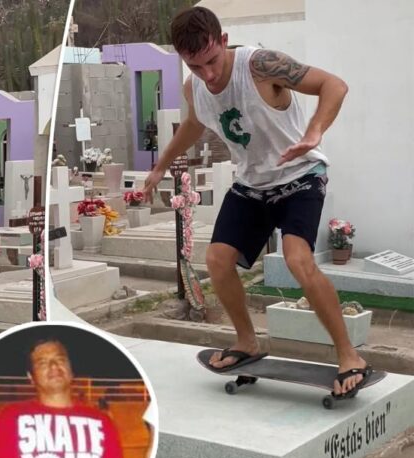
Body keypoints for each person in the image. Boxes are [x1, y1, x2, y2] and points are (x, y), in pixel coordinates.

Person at [142, 6, 370, 398]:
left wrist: (315, 131)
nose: (208, 74)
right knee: (217, 260)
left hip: (300, 176)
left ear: (224, 41)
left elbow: (334, 85)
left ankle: (350, 355)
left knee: (298, 259)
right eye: (195, 66)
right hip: (252, 184)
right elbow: (195, 124)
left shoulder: (261, 66)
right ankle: (247, 342)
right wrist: (160, 166)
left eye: (212, 61)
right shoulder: (195, 87)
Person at [0, 339, 125, 458]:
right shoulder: (11, 417)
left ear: (71, 370)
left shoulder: (101, 422)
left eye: (60, 359)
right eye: (42, 363)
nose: (54, 366)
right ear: (31, 377)